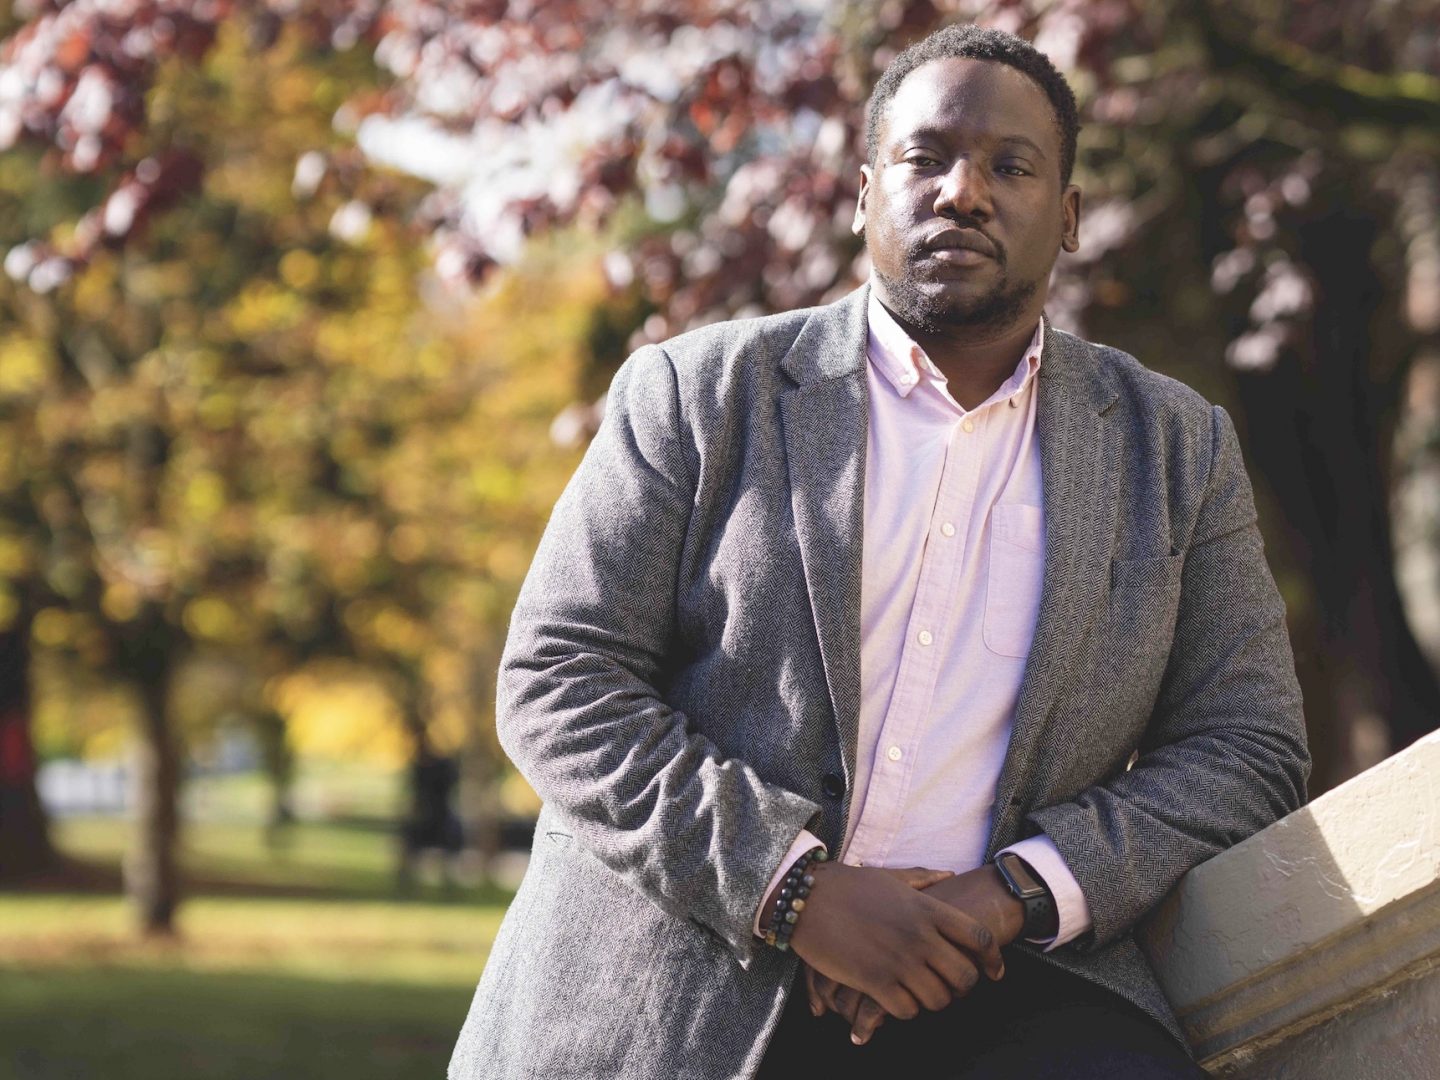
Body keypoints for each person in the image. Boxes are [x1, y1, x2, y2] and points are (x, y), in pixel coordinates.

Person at [448, 22, 1309, 1080]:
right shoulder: (695, 394)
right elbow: (558, 680)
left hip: (1010, 980)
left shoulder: (1177, 447)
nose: (963, 193)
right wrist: (797, 889)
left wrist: (1014, 894)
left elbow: (1247, 744)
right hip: (690, 970)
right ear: (862, 195)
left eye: (1012, 166)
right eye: (926, 157)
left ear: (1069, 214)